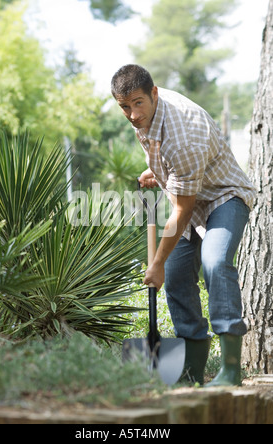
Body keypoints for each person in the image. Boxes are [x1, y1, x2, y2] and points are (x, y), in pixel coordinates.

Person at [111, 64, 256, 386]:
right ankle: (189, 371)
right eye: (124, 106)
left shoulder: (183, 134)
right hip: (192, 195)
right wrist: (159, 172)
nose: (132, 115)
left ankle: (230, 369)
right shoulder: (150, 115)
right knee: (177, 278)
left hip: (223, 197)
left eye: (137, 103)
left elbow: (182, 208)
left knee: (215, 263)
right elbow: (174, 165)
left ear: (154, 93)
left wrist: (157, 263)